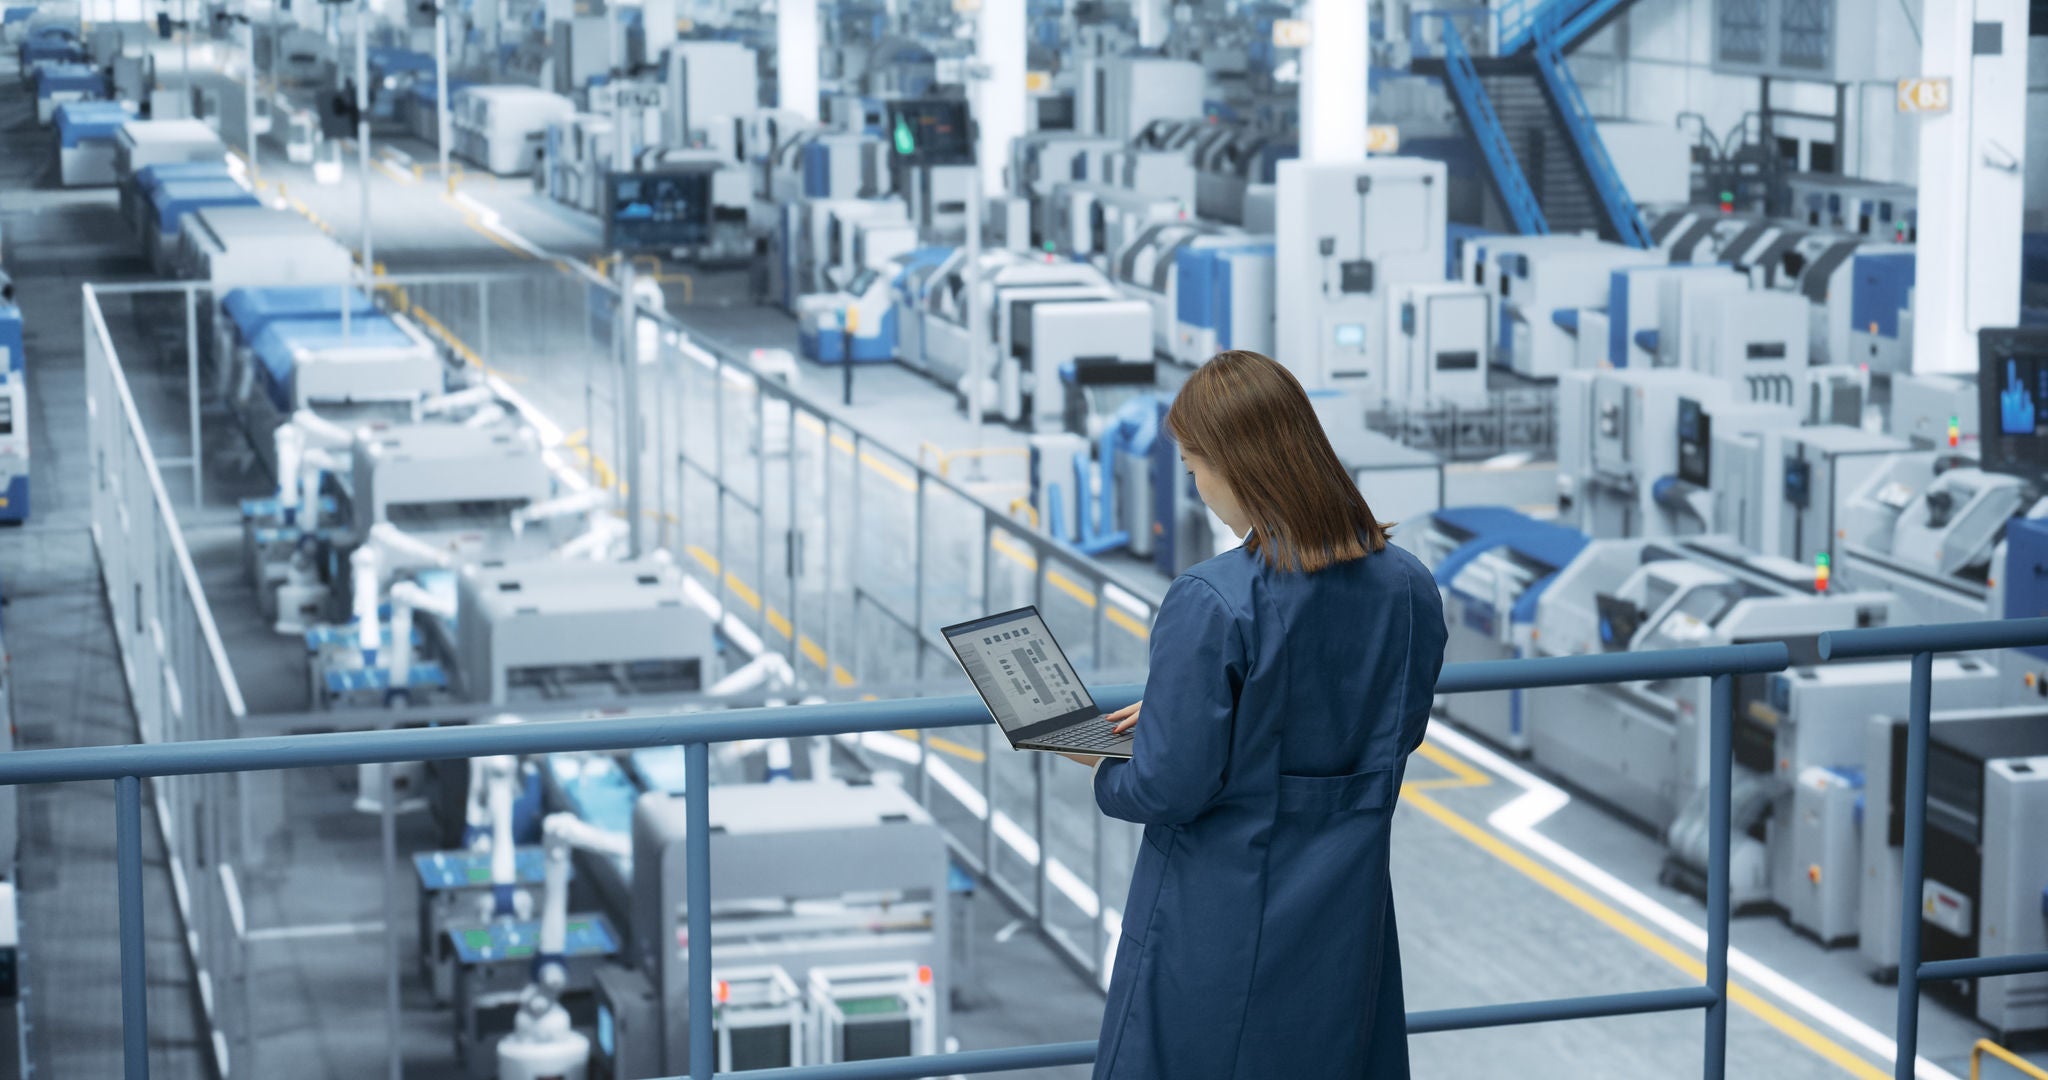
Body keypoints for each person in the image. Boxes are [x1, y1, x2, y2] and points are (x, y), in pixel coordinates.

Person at [1068, 349, 1447, 1080]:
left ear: (1236, 467)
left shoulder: (1213, 599)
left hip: (1218, 923)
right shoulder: (1409, 586)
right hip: (1347, 919)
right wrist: (1197, 713)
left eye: (1194, 469)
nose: (1199, 490)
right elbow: (1394, 729)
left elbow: (1166, 789)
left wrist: (1101, 761)